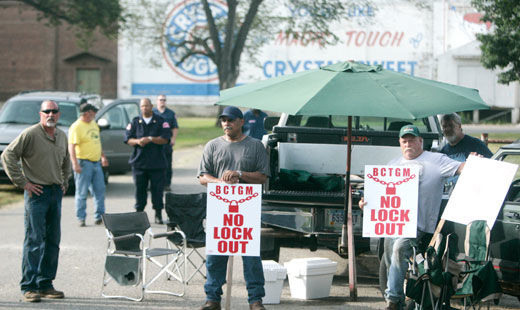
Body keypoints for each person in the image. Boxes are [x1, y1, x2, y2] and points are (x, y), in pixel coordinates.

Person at [359, 124, 464, 310]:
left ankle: (393, 300)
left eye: (412, 140)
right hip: (394, 223)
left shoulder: (436, 160)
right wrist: (365, 203)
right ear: (400, 143)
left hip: (421, 226)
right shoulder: (393, 165)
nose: (408, 143)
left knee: (399, 248)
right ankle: (397, 301)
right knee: (390, 251)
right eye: (404, 140)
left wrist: (476, 162)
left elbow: (462, 168)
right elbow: (378, 195)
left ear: (420, 141)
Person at [198, 106, 270, 310]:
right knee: (215, 255)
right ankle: (212, 299)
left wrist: (240, 174)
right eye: (223, 120)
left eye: (230, 120)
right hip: (219, 207)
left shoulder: (255, 146)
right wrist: (220, 182)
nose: (226, 123)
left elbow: (263, 177)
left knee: (252, 257)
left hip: (246, 209)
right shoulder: (212, 146)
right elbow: (203, 177)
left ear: (241, 121)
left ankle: (255, 300)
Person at [1, 100, 71, 302]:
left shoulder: (61, 135)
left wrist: (64, 180)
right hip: (36, 194)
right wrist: (23, 183)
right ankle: (29, 287)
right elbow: (8, 156)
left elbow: (66, 160)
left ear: (58, 114)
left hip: (54, 193)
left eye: (54, 111)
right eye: (47, 111)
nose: (51, 114)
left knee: (52, 241)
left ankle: (45, 284)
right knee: (34, 241)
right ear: (40, 114)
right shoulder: (30, 134)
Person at [124, 98, 171, 224]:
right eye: (142, 106)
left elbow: (165, 139)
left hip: (157, 163)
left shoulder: (161, 121)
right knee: (140, 190)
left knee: (157, 191)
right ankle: (139, 215)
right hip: (139, 163)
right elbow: (128, 139)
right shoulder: (135, 121)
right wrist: (138, 141)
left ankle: (158, 214)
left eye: (147, 106)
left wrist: (150, 139)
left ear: (152, 106)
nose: (144, 108)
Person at [68, 103, 108, 227]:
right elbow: (72, 147)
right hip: (84, 163)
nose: (95, 114)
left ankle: (99, 216)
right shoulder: (76, 127)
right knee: (82, 192)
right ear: (86, 113)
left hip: (96, 162)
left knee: (99, 190)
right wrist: (75, 164)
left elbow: (96, 141)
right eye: (93, 112)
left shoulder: (93, 124)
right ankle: (81, 217)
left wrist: (102, 156)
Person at [153, 94, 179, 191]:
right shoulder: (153, 113)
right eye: (160, 100)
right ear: (157, 101)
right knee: (154, 164)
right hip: (155, 143)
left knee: (167, 164)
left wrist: (173, 139)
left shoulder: (171, 113)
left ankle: (166, 184)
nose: (162, 101)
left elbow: (175, 128)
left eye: (164, 100)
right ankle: (154, 184)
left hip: (166, 143)